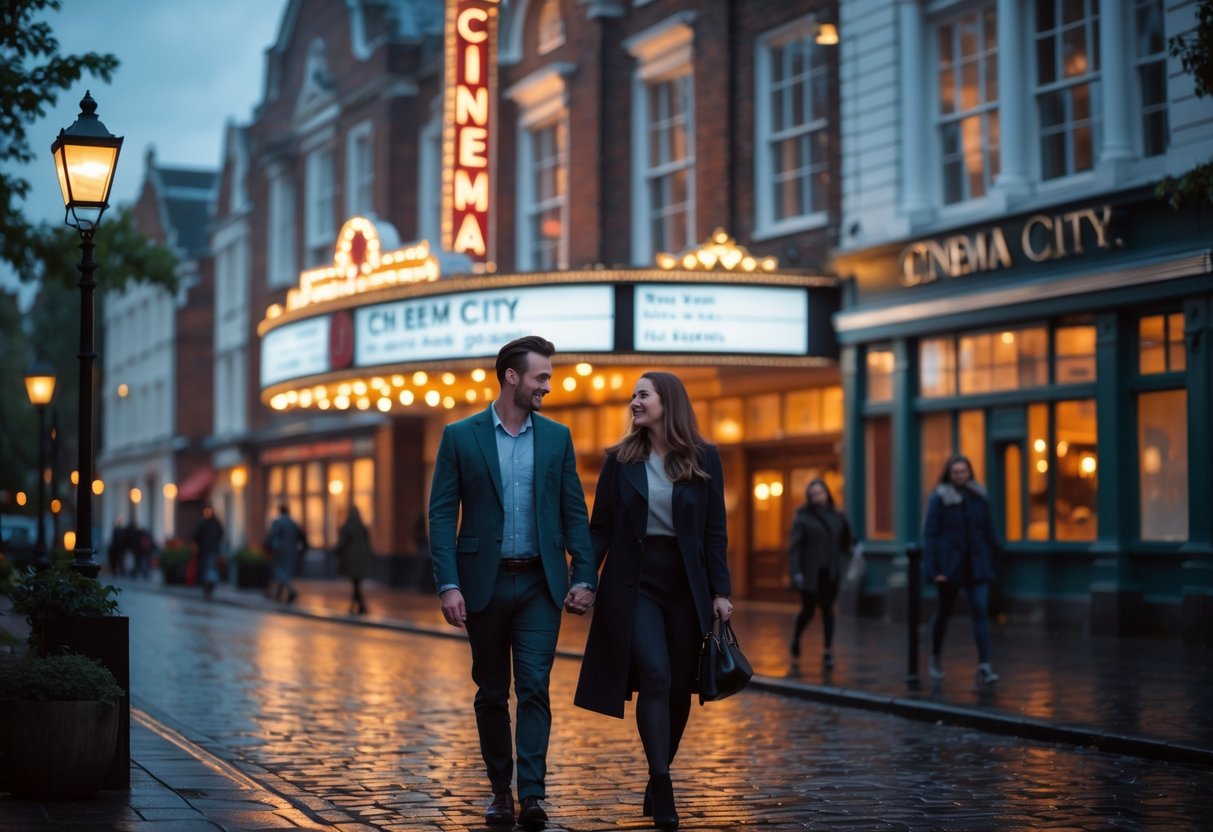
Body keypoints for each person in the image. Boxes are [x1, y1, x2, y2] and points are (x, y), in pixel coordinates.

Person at [428, 335, 598, 831]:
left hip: (540, 586)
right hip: (482, 585)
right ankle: (500, 790)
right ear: (512, 377)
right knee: (490, 691)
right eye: (541, 376)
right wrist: (448, 584)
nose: (548, 384)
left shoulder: (557, 438)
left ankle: (534, 794)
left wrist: (584, 573)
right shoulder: (461, 436)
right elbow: (441, 515)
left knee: (534, 690)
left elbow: (573, 511)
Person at [574, 371, 733, 831]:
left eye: (642, 395)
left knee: (681, 684)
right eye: (632, 396)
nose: (634, 403)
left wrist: (721, 592)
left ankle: (658, 767)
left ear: (669, 402)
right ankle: (662, 781)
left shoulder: (705, 459)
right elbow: (599, 527)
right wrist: (584, 578)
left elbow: (714, 532)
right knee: (657, 674)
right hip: (633, 583)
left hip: (687, 584)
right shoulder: (619, 460)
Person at [922, 453, 1002, 685]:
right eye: (955, 472)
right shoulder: (940, 497)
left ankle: (984, 665)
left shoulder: (979, 495)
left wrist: (996, 553)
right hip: (950, 566)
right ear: (949, 473)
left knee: (980, 611)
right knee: (944, 612)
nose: (959, 476)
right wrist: (934, 568)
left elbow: (988, 528)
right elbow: (931, 534)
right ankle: (935, 657)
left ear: (970, 472)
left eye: (963, 471)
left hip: (977, 565)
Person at [787, 478, 854, 669]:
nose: (818, 497)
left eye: (821, 493)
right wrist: (796, 572)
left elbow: (846, 540)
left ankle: (827, 651)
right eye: (814, 494)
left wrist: (849, 553)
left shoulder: (837, 515)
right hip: (810, 573)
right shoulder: (803, 518)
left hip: (831, 572)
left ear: (827, 493)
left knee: (827, 611)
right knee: (808, 611)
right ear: (809, 497)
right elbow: (795, 548)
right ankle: (796, 638)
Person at [334, 505, 371, 615]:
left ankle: (359, 607)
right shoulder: (362, 527)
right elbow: (367, 543)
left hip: (351, 559)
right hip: (362, 558)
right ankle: (358, 607)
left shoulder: (347, 527)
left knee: (355, 584)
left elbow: (342, 543)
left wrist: (335, 551)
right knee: (357, 583)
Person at [267, 504, 307, 604]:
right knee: (286, 571)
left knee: (279, 571)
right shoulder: (293, 523)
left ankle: (291, 591)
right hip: (292, 550)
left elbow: (273, 536)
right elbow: (301, 537)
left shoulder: (278, 522)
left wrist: (272, 548)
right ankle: (278, 595)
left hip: (280, 550)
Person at [192, 505, 225, 599]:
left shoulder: (213, 523)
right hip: (205, 550)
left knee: (210, 566)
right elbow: (197, 535)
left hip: (211, 549)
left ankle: (209, 583)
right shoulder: (204, 523)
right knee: (207, 566)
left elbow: (220, 533)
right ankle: (208, 583)